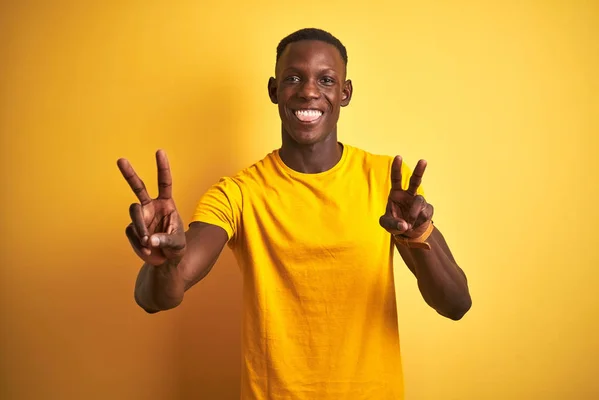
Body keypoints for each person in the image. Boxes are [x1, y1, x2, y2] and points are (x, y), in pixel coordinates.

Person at [117, 28, 471, 400]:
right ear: (273, 90)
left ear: (345, 93)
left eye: (326, 79)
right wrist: (165, 263)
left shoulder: (387, 185)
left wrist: (417, 236)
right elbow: (154, 298)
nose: (308, 91)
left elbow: (456, 304)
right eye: (293, 78)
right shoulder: (239, 193)